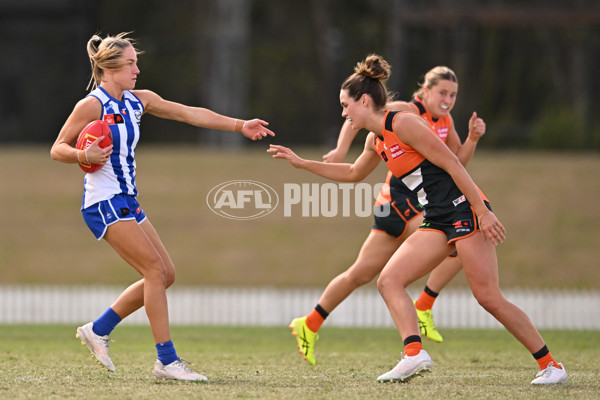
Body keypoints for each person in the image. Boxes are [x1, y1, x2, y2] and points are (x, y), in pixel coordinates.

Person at [268, 54, 567, 385]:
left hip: (463, 209)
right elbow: (353, 173)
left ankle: (551, 365)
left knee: (488, 297)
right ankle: (414, 354)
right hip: (437, 218)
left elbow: (454, 164)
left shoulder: (403, 123)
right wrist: (301, 163)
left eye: (345, 106)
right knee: (388, 280)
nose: (343, 113)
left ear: (364, 101)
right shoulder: (375, 139)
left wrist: (482, 211)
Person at [50, 32, 274, 381]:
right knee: (154, 271)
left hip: (127, 200)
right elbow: (57, 148)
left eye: (136, 63)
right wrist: (83, 154)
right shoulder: (92, 105)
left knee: (166, 274)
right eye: (130, 64)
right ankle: (166, 362)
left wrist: (239, 125)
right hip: (103, 202)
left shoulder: (139, 100)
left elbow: (188, 114)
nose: (137, 70)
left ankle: (98, 329)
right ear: (108, 69)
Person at [287, 66, 485, 366]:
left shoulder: (444, 121)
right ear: (425, 91)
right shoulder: (404, 112)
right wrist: (340, 149)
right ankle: (424, 307)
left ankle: (310, 322)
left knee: (363, 273)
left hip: (420, 205)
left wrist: (471, 138)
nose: (447, 100)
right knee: (456, 236)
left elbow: (457, 161)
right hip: (397, 203)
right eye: (442, 93)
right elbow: (358, 114)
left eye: (453, 95)